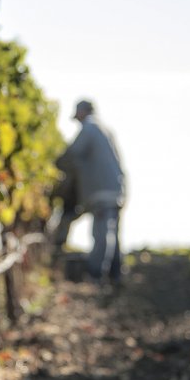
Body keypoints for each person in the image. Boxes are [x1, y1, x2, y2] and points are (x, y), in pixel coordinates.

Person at [56, 100, 125, 284]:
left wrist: (56, 164)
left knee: (101, 233)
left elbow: (71, 155)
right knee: (112, 233)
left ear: (84, 111)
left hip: (102, 191)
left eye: (77, 114)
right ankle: (115, 274)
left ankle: (96, 274)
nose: (76, 119)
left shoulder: (90, 128)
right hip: (116, 189)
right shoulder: (105, 130)